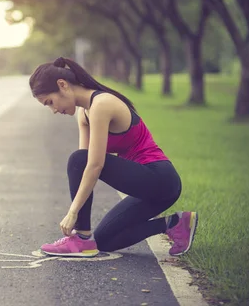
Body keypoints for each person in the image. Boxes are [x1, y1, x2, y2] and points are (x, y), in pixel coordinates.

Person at [29, 56, 198, 258]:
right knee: (104, 241)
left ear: (63, 85)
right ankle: (174, 224)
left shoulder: (102, 104)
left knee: (77, 160)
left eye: (50, 102)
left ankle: (81, 239)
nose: (54, 110)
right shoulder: (83, 114)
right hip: (144, 188)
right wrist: (76, 209)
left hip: (160, 179)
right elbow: (84, 167)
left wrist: (73, 212)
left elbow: (93, 165)